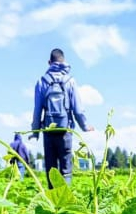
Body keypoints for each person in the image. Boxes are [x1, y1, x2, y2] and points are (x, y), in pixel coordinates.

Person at [31, 47, 94, 187]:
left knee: (51, 168)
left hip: (48, 130)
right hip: (65, 130)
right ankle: (66, 200)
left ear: (49, 62)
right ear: (64, 61)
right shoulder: (70, 81)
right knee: (66, 167)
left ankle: (53, 199)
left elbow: (37, 110)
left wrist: (35, 132)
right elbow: (78, 109)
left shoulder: (42, 81)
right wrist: (85, 126)